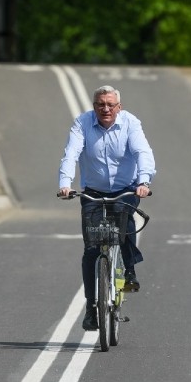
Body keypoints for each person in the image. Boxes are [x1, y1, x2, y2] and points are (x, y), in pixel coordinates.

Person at [58, 85, 156, 331]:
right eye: (101, 104)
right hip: (92, 191)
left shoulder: (131, 124)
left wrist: (143, 182)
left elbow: (143, 152)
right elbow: (71, 154)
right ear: (94, 107)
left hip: (126, 188)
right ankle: (92, 307)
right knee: (91, 248)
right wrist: (65, 184)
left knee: (124, 222)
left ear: (118, 107)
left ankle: (129, 272)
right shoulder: (82, 124)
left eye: (110, 104)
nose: (105, 109)